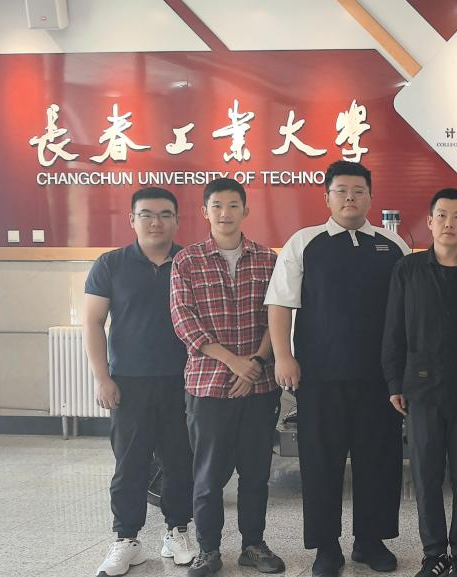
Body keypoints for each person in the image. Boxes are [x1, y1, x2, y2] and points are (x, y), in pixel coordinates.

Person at [265, 161, 409, 577]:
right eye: (341, 190)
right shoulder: (304, 242)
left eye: (359, 191)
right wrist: (283, 356)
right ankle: (326, 547)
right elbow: (280, 303)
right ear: (327, 197)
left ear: (370, 197)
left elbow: (409, 311)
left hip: (379, 379)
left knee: (379, 461)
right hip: (320, 376)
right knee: (321, 463)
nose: (350, 198)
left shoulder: (393, 245)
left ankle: (370, 541)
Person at [169, 178, 284, 577]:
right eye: (217, 205)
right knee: (208, 476)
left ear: (245, 211)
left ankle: (253, 545)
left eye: (233, 205)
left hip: (259, 385)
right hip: (207, 386)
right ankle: (208, 550)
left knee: (256, 472)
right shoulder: (187, 261)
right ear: (205, 211)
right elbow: (184, 321)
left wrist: (255, 364)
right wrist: (234, 362)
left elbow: (277, 316)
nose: (225, 213)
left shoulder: (268, 259)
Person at [383, 188, 457, 577]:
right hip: (422, 392)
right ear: (430, 222)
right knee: (426, 478)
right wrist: (394, 383)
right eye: (442, 216)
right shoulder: (407, 270)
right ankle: (434, 554)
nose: (449, 223)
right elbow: (394, 331)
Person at [85, 187, 196, 577]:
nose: (155, 222)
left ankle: (177, 531)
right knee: (129, 464)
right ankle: (126, 539)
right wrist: (102, 378)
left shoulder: (190, 262)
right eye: (146, 214)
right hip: (128, 383)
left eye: (165, 214)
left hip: (184, 381)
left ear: (177, 221)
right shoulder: (110, 264)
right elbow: (93, 322)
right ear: (132, 219)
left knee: (180, 461)